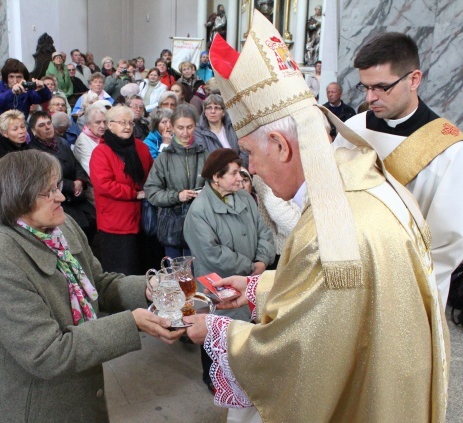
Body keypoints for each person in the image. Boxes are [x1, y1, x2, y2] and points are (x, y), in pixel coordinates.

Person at [184, 14, 448, 422]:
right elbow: (329, 293)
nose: (250, 169)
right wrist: (256, 288)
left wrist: (219, 334)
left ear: (280, 145)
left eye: (251, 155)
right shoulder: (349, 180)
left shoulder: (333, 228)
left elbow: (304, 348)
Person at [0, 150, 183, 422]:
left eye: (57, 186)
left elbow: (96, 284)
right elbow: (48, 353)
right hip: (37, 406)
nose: (60, 197)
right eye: (48, 192)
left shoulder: (62, 226)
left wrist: (148, 287)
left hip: (79, 392)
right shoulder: (0, 260)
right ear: (18, 198)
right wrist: (132, 324)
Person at [334, 32, 463, 306]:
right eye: (365, 87)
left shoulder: (449, 149)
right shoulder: (353, 129)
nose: (371, 98)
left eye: (381, 87)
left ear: (414, 79)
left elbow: (446, 244)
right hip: (349, 279)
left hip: (407, 292)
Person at [184, 148, 274, 394]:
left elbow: (264, 231)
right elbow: (211, 253)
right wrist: (250, 266)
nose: (240, 177)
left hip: (249, 277)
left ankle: (244, 376)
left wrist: (262, 261)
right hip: (216, 283)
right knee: (214, 331)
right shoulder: (199, 211)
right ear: (216, 177)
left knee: (244, 332)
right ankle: (213, 379)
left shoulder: (244, 198)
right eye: (233, 173)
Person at [90, 105, 154, 274]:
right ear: (110, 125)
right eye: (122, 123)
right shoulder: (101, 152)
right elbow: (104, 185)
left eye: (130, 123)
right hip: (116, 223)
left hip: (142, 219)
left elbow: (151, 175)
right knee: (122, 271)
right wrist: (134, 193)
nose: (127, 127)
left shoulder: (141, 147)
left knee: (144, 268)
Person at [144, 105, 207, 257]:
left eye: (189, 127)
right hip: (172, 227)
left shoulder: (205, 154)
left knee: (199, 275)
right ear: (172, 127)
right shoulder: (163, 158)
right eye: (180, 127)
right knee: (177, 275)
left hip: (201, 225)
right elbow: (152, 192)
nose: (185, 133)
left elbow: (217, 184)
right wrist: (177, 196)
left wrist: (207, 192)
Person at [29, 111, 96, 241]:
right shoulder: (33, 151)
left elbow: (76, 164)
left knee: (93, 221)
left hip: (78, 195)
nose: (48, 127)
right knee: (75, 232)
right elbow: (46, 177)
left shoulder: (61, 142)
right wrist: (71, 186)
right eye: (42, 125)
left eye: (49, 123)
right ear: (33, 131)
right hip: (61, 199)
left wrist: (80, 181)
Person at [0, 58, 51, 145]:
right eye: (11, 77)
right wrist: (12, 92)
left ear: (24, 78)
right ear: (6, 78)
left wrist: (42, 89)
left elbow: (43, 98)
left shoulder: (26, 91)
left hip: (19, 134)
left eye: (18, 77)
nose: (15, 81)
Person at [194, 94, 242, 159]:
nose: (213, 111)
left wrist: (241, 165)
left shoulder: (233, 125)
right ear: (205, 112)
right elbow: (204, 156)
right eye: (209, 108)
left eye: (216, 108)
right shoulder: (198, 131)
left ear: (223, 112)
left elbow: (244, 149)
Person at [73, 102, 107, 176]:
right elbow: (93, 172)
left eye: (104, 122)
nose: (103, 126)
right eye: (98, 122)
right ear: (88, 124)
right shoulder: (82, 143)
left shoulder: (104, 136)